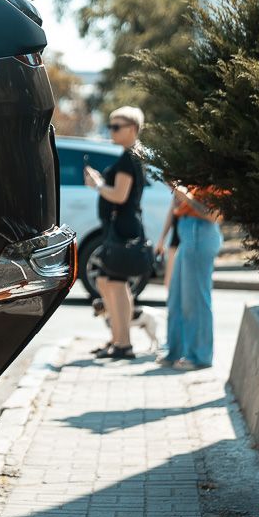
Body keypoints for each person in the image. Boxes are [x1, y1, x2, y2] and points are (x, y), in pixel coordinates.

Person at [83, 106, 148, 360]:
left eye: (116, 126)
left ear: (132, 129)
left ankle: (124, 343)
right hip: (122, 226)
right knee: (109, 282)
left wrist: (98, 185)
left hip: (123, 228)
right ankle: (119, 340)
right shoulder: (133, 156)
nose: (111, 130)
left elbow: (120, 195)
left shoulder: (127, 159)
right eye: (110, 125)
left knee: (116, 283)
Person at [161, 184, 223, 369]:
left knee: (195, 299)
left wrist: (187, 198)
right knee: (176, 298)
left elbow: (215, 216)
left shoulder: (216, 179)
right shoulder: (191, 173)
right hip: (187, 233)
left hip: (200, 233)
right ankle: (176, 352)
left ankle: (199, 356)